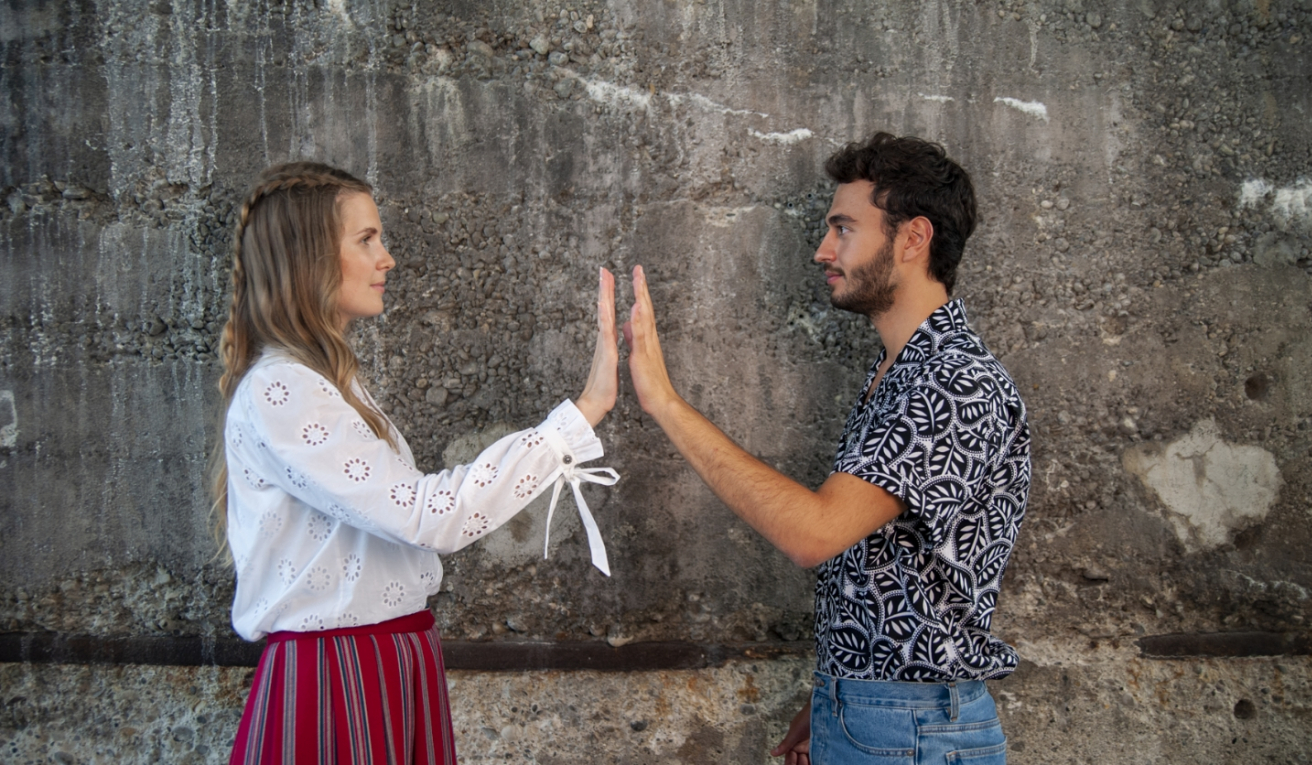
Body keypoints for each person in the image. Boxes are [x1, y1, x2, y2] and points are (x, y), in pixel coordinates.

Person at [622, 133, 1030, 765]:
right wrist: (835, 701)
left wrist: (665, 403)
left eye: (843, 229)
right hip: (879, 713)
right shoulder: (902, 371)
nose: (822, 251)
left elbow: (816, 533)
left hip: (912, 727)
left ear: (913, 239)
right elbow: (887, 570)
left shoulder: (951, 380)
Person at [213, 161, 618, 764]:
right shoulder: (284, 391)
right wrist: (582, 413)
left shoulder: (325, 383)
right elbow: (427, 514)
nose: (387, 259)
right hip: (338, 677)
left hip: (383, 663)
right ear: (310, 257)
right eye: (366, 239)